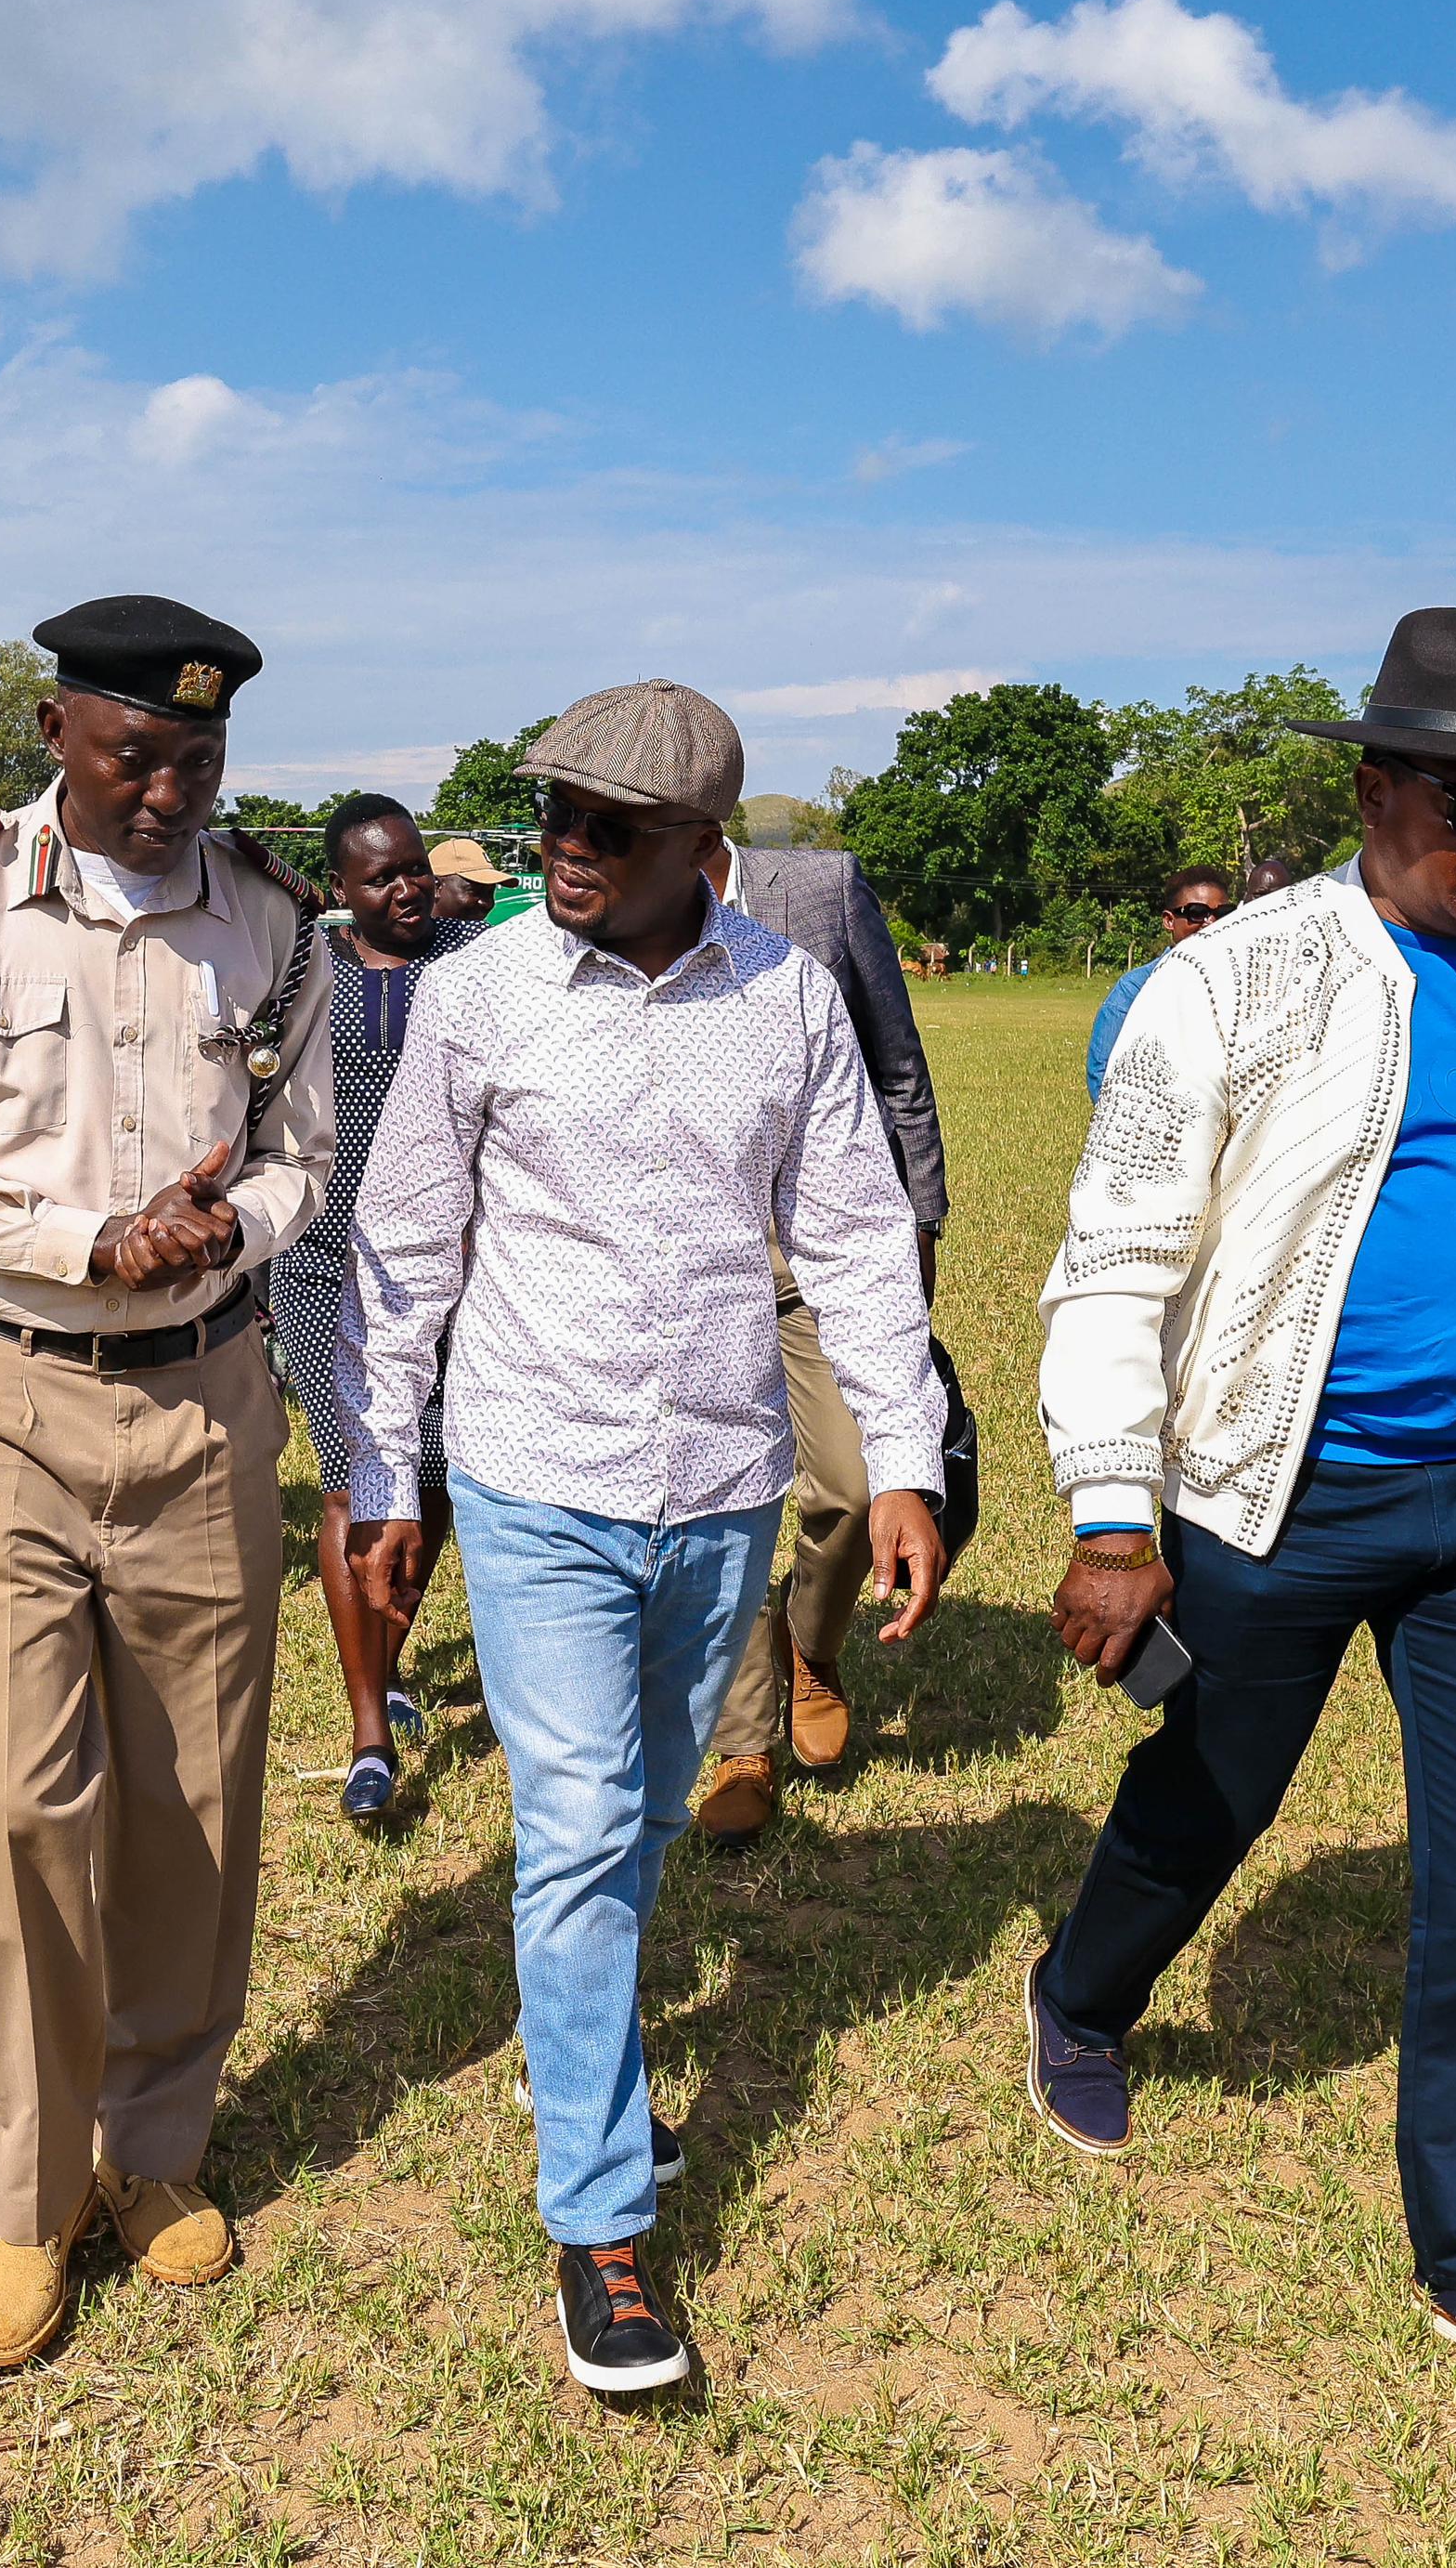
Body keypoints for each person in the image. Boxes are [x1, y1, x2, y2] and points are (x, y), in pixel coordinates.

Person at [1032, 607, 1456, 2424]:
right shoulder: (1231, 978)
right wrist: (1107, 1507)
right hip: (1272, 1491)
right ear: (1375, 787)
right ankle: (1081, 1995)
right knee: (1207, 1797)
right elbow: (1113, 1261)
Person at [340, 678, 948, 2396]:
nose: (567, 847)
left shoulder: (789, 998)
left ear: (706, 846)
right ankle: (599, 2218)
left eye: (611, 825)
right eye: (554, 814)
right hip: (537, 1469)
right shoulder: (478, 993)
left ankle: (578, 2039)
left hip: (724, 1482)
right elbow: (405, 1248)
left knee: (651, 1805)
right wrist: (392, 1474)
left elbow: (850, 1230)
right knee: (584, 1819)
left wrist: (897, 1457)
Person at [0, 595, 332, 2369]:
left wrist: (224, 1223)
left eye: (199, 759)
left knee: (193, 1811)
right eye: (136, 752)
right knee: (11, 1808)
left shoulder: (269, 923)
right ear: (57, 730)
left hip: (202, 1406)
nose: (168, 788)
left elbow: (304, 1158)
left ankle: (157, 2148)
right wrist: (86, 1237)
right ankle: (28, 2192)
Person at [693, 811, 952, 1843]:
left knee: (849, 1485)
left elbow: (898, 1065)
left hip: (821, 1255)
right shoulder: (604, 917)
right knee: (722, 1503)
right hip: (692, 1269)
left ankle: (811, 1644)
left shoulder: (822, 889)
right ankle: (743, 1744)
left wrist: (918, 1221)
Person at [274, 795, 479, 1821]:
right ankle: (367, 1729)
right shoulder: (303, 974)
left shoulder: (476, 959)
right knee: (357, 1477)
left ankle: (389, 1653)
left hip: (451, 1268)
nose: (407, 889)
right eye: (379, 877)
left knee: (429, 1466)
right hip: (323, 1263)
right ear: (341, 891)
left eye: (413, 868)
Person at [1079, 866, 1233, 1103]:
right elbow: (1102, 1073)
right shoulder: (1135, 988)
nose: (1210, 922)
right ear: (1169, 921)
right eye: (1196, 912)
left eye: (1222, 913)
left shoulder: (1239, 986)